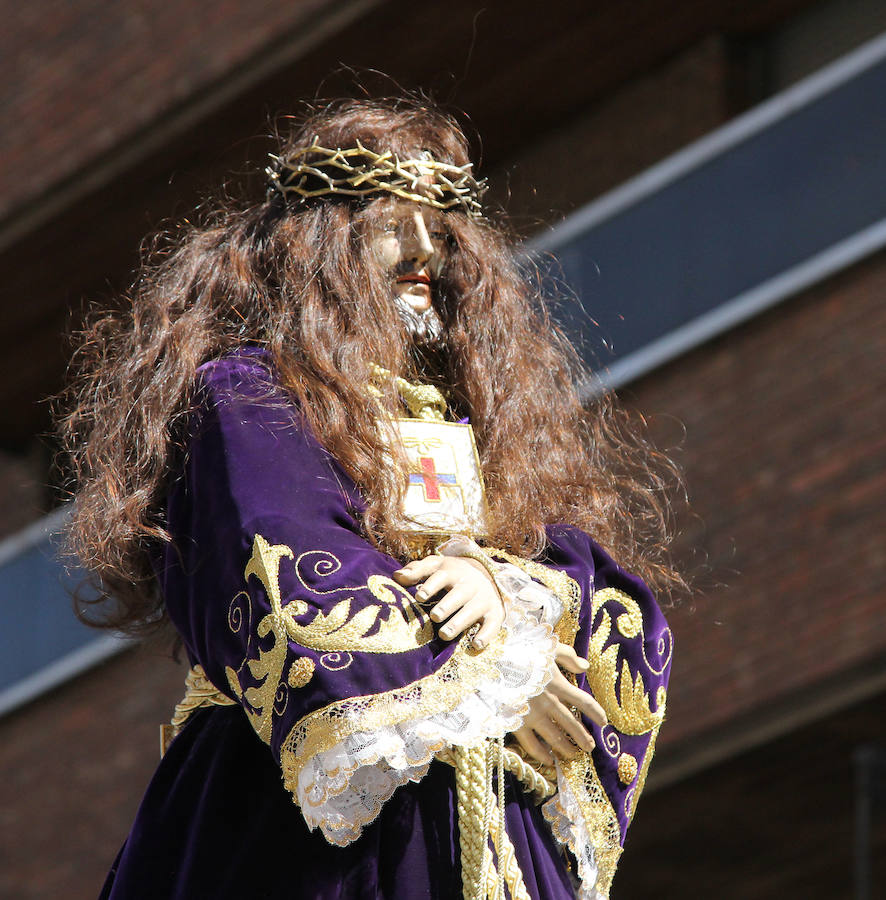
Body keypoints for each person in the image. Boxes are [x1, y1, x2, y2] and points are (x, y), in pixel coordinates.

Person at [58, 96, 679, 900]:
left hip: (487, 820)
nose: (426, 250)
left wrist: (504, 589)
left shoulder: (481, 427)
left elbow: (604, 598)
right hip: (307, 823)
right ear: (323, 248)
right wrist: (486, 671)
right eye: (394, 222)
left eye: (443, 228)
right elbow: (287, 562)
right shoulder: (252, 395)